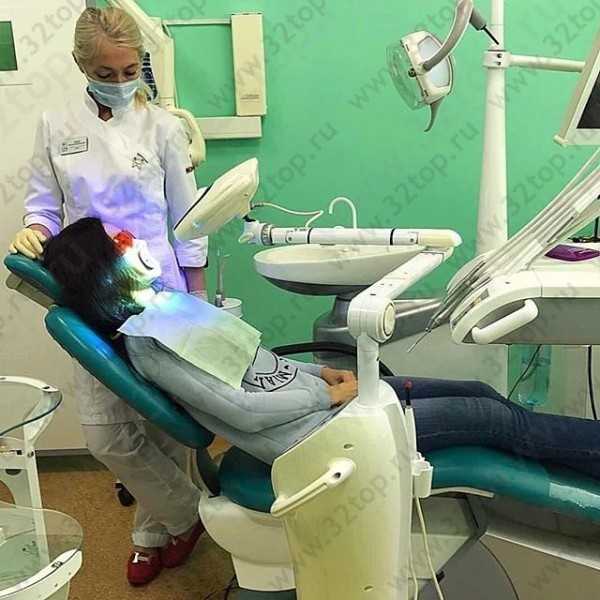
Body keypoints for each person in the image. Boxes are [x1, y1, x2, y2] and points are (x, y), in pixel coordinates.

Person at [43, 217, 600, 481]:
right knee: (494, 421)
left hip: (329, 407)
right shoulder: (149, 343)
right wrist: (332, 397)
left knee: (480, 393)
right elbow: (243, 411)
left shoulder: (169, 309)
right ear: (103, 272)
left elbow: (260, 364)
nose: (136, 243)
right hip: (314, 439)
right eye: (121, 243)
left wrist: (321, 375)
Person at [8, 7, 208, 586]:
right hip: (90, 288)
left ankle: (151, 534)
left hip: (158, 288)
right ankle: (188, 515)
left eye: (129, 71)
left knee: (164, 425)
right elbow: (44, 204)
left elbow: (189, 220)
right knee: (105, 433)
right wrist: (35, 229)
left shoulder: (163, 128)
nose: (120, 82)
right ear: (80, 64)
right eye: (105, 72)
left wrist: (197, 298)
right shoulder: (55, 125)